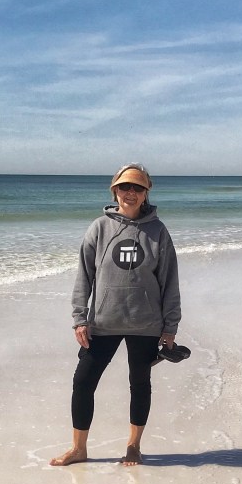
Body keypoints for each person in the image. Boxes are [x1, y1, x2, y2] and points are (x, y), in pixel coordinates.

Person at [50, 163, 181, 467]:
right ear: (114, 190)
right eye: (124, 187)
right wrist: (79, 318)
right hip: (103, 322)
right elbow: (84, 276)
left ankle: (134, 446)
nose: (130, 193)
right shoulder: (99, 228)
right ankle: (79, 449)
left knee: (140, 384)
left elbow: (169, 281)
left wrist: (170, 326)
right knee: (83, 381)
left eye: (137, 187)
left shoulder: (158, 231)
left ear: (146, 193)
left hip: (146, 323)